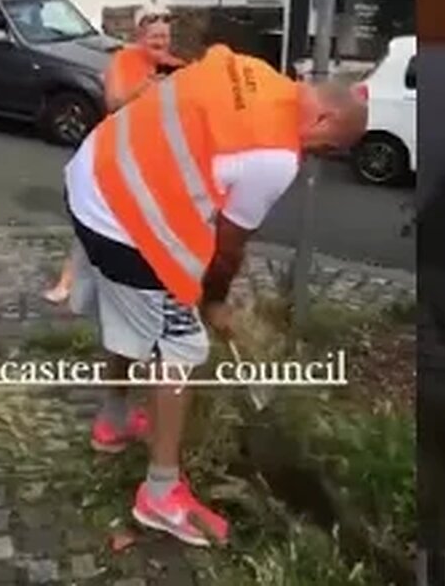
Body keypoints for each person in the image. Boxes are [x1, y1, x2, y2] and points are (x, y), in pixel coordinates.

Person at [61, 43, 369, 547]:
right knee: (181, 347)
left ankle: (113, 421)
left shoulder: (250, 70)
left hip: (92, 175)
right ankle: (160, 495)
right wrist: (213, 302)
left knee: (130, 312)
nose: (319, 157)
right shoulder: (275, 155)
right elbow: (228, 247)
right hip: (123, 222)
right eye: (329, 148)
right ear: (324, 118)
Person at [44, 3, 186, 304]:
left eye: (164, 38)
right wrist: (146, 88)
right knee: (96, 216)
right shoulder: (123, 61)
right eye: (154, 38)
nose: (160, 44)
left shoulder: (178, 66)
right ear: (140, 34)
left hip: (154, 158)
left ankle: (153, 282)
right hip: (117, 152)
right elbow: (113, 104)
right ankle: (68, 281)